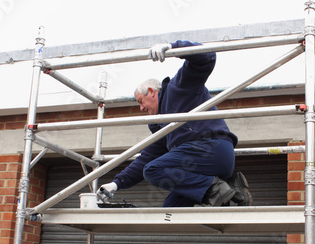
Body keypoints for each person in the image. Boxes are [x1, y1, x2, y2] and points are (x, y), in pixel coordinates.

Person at [97, 40, 252, 207]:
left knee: (153, 170)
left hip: (212, 149)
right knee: (170, 210)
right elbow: (146, 158)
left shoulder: (178, 87)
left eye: (140, 102)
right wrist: (116, 184)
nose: (141, 108)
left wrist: (173, 47)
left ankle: (217, 190)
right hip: (201, 165)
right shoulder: (162, 125)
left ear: (151, 92)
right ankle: (232, 190)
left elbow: (207, 57)